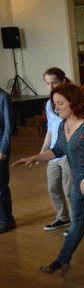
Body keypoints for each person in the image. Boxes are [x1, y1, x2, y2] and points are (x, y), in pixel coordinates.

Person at [13, 83, 84, 288]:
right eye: (54, 104)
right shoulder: (63, 125)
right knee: (77, 221)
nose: (56, 107)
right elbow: (58, 149)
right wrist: (35, 157)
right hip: (79, 180)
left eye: (60, 103)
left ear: (73, 102)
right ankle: (62, 260)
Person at [40, 67, 72, 232]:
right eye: (48, 84)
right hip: (53, 153)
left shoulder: (72, 101)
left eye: (54, 83)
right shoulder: (48, 104)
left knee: (70, 190)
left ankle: (77, 222)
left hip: (68, 152)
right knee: (53, 187)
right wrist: (41, 152)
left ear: (63, 81)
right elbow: (50, 130)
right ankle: (63, 217)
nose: (51, 87)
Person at [0, 87, 14, 234]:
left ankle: (6, 219)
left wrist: (3, 150)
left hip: (0, 147)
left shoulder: (3, 97)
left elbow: (8, 127)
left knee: (1, 186)